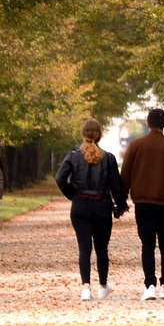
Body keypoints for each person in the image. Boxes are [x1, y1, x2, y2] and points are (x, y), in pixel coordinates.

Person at [120, 107, 164, 300]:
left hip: (143, 202)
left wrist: (121, 200)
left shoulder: (135, 145)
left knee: (147, 244)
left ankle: (149, 285)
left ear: (148, 124)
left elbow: (125, 174)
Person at [55, 118, 127, 301]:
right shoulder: (108, 158)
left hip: (80, 206)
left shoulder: (73, 156)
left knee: (84, 248)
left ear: (83, 134)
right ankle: (103, 285)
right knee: (102, 248)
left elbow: (60, 178)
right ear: (99, 135)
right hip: (101, 206)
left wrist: (73, 194)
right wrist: (120, 205)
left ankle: (85, 287)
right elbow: (116, 187)